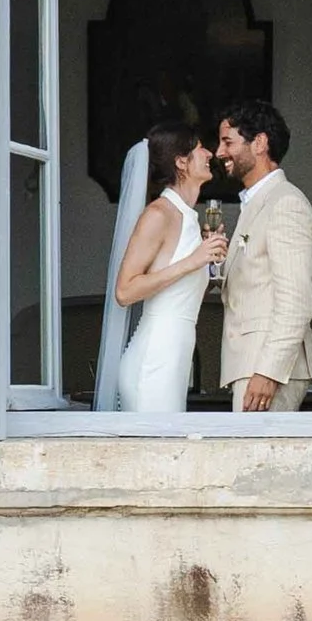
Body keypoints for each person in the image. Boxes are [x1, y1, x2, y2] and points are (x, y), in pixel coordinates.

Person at [111, 125, 231, 416]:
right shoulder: (158, 214)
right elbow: (125, 291)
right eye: (201, 147)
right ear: (181, 161)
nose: (209, 154)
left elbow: (181, 294)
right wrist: (192, 260)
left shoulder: (188, 217)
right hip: (154, 360)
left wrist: (208, 260)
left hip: (176, 359)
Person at [214, 102, 312, 417]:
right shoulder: (259, 202)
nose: (219, 152)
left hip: (268, 369)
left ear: (259, 143)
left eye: (227, 142)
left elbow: (297, 299)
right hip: (251, 364)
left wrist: (269, 372)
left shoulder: (286, 204)